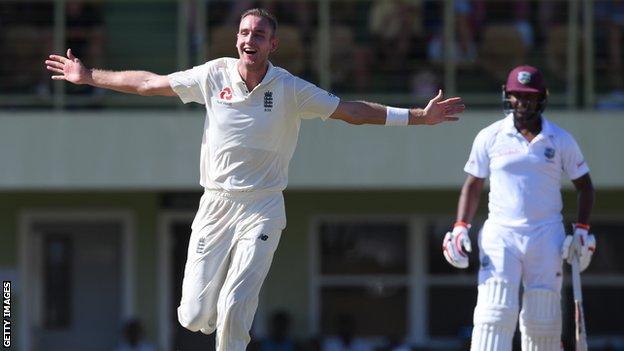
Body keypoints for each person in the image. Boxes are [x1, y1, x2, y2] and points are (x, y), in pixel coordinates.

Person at [44, 8, 465, 351]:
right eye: (244, 32)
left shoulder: (289, 88)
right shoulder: (214, 74)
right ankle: (206, 320)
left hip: (262, 206)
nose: (249, 40)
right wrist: (89, 76)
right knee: (192, 316)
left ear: (272, 44)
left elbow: (351, 111)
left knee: (234, 305)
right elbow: (150, 84)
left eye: (259, 35)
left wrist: (417, 117)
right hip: (215, 203)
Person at [442, 65, 596, 351]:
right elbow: (473, 185)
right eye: (517, 96)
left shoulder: (560, 139)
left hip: (546, 233)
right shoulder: (490, 136)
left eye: (530, 97)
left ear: (542, 98)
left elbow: (585, 186)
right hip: (501, 234)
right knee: (494, 313)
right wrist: (460, 225)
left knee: (542, 319)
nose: (523, 103)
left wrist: (583, 229)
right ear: (507, 96)